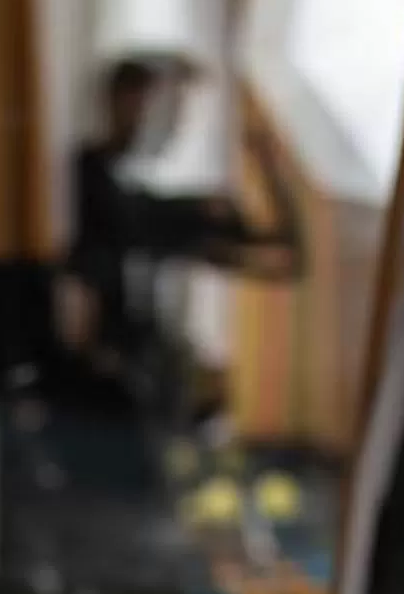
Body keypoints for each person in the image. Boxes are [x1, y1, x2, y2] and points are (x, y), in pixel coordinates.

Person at [64, 55, 304, 416]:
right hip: (107, 388)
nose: (161, 120)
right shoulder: (95, 179)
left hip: (141, 388)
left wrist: (268, 166)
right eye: (150, 105)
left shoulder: (170, 213)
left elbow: (286, 258)